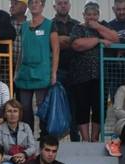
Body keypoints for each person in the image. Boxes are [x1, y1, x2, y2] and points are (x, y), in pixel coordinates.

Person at [69, 2, 119, 142]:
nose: (91, 17)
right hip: (80, 76)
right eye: (88, 14)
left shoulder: (104, 26)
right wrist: (98, 40)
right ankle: (85, 140)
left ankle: (95, 138)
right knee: (82, 107)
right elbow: (77, 44)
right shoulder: (77, 28)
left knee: (99, 108)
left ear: (98, 15)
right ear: (83, 15)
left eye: (94, 14)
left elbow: (115, 38)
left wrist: (98, 27)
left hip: (101, 76)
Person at [13, 0, 59, 134]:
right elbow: (22, 51)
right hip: (25, 72)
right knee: (25, 107)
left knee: (42, 107)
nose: (34, 5)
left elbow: (56, 50)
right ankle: (28, 138)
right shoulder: (24, 26)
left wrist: (54, 73)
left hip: (42, 72)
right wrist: (17, 70)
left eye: (37, 2)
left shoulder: (50, 25)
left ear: (43, 5)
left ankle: (44, 137)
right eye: (31, 2)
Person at [52, 0, 81, 140]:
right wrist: (71, 41)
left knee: (74, 106)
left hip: (75, 72)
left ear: (69, 6)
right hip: (55, 72)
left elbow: (78, 44)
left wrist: (60, 41)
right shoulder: (49, 24)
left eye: (65, 3)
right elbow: (51, 43)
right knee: (54, 105)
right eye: (59, 3)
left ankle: (75, 137)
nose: (62, 5)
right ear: (54, 6)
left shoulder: (77, 24)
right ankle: (50, 139)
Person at [0, 99, 38, 164]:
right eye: (9, 111)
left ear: (19, 113)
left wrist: (24, 154)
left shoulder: (26, 127)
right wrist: (12, 158)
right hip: (9, 162)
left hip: (26, 159)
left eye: (15, 111)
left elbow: (33, 147)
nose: (12, 114)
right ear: (5, 114)